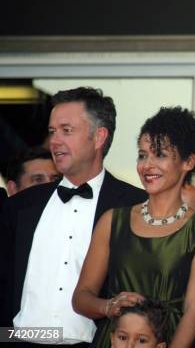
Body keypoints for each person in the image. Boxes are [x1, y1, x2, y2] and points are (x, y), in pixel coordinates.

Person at [0, 87, 147, 346]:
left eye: (67, 130)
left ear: (99, 137)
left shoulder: (135, 205)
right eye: (52, 132)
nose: (55, 141)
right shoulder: (21, 206)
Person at [72, 107, 195, 348]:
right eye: (142, 155)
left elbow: (194, 313)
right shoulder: (112, 220)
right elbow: (81, 298)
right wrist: (108, 306)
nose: (147, 165)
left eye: (160, 155)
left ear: (188, 161)